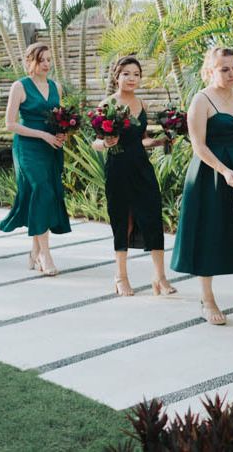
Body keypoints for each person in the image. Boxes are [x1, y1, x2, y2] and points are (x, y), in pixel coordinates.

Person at [171, 47, 233, 326]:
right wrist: (224, 170)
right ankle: (208, 298)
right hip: (211, 173)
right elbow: (198, 146)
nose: (232, 74)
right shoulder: (201, 101)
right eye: (224, 69)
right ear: (210, 71)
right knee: (210, 231)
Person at [92, 56, 177, 297]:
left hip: (142, 168)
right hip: (118, 169)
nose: (132, 78)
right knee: (123, 221)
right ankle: (121, 276)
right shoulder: (107, 103)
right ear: (117, 76)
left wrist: (160, 141)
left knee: (151, 217)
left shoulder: (142, 103)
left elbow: (141, 140)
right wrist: (107, 142)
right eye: (126, 74)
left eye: (136, 74)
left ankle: (159, 277)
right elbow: (95, 143)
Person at [0, 43, 70, 275]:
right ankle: (44, 255)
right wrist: (41, 134)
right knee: (42, 190)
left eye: (49, 60)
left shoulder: (55, 86)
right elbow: (10, 124)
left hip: (51, 147)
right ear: (31, 61)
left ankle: (34, 251)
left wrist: (62, 132)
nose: (47, 65)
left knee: (45, 196)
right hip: (28, 148)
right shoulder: (19, 86)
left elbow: (59, 117)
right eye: (42, 60)